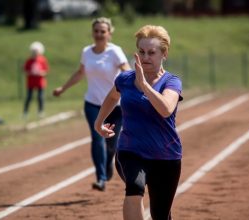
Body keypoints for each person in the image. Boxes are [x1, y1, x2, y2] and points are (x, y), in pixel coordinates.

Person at [94, 25, 183, 219]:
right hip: (131, 150)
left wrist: (145, 86)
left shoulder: (171, 82)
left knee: (160, 214)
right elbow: (111, 98)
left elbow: (166, 109)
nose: (145, 57)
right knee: (134, 188)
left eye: (151, 52)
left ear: (164, 53)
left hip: (166, 156)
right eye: (142, 52)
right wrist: (98, 122)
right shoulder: (125, 79)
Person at [53, 17, 131, 191]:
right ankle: (101, 177)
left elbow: (126, 70)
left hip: (115, 105)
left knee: (112, 143)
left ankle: (108, 161)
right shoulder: (86, 52)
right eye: (96, 31)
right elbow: (80, 73)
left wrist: (136, 83)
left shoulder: (115, 52)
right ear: (92, 33)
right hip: (93, 103)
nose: (99, 34)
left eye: (103, 31)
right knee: (97, 138)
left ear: (109, 34)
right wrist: (63, 88)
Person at [23, 41, 50, 118]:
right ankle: (25, 112)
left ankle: (40, 112)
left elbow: (46, 70)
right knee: (29, 97)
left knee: (40, 97)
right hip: (31, 82)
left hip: (40, 82)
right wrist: (31, 73)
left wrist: (41, 73)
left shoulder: (42, 60)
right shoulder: (29, 60)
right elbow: (25, 70)